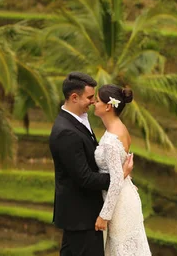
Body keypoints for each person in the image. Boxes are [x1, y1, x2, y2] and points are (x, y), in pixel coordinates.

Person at [50, 72, 133, 256]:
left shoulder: (78, 120)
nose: (93, 101)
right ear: (74, 97)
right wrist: (120, 175)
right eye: (89, 97)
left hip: (83, 215)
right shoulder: (66, 132)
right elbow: (85, 178)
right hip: (80, 216)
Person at [93, 84, 151, 255]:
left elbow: (117, 180)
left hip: (119, 205)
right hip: (125, 197)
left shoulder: (111, 140)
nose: (94, 104)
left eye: (97, 101)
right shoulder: (120, 128)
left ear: (108, 106)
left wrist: (104, 216)